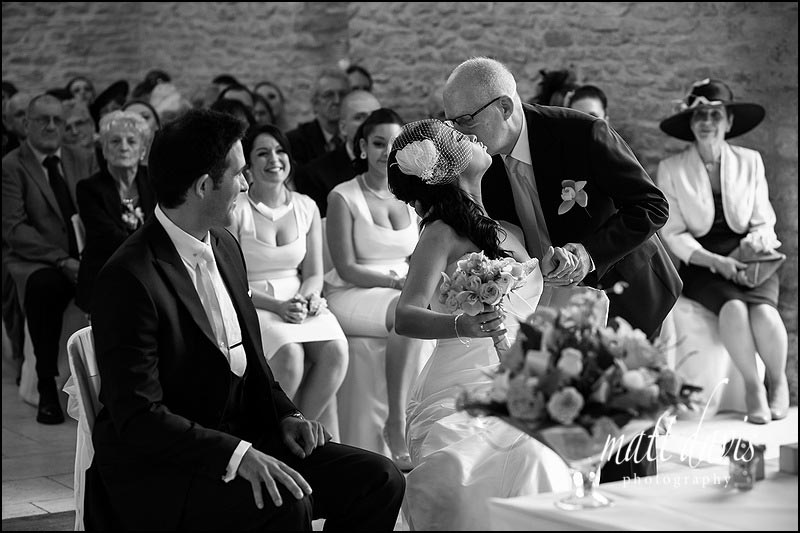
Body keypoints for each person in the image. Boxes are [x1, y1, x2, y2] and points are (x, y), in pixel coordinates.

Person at [84, 108, 404, 530]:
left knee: (379, 479)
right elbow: (140, 418)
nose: (246, 183)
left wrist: (288, 416)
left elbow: (252, 362)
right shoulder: (128, 278)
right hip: (166, 470)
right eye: (238, 173)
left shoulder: (224, 244)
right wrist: (237, 454)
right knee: (289, 505)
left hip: (243, 437)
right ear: (202, 187)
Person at [443, 57, 682, 482]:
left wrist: (588, 254)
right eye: (451, 122)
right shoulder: (479, 163)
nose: (458, 134)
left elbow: (651, 205)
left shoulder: (582, 133)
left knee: (621, 418)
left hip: (624, 287)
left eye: (465, 120)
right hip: (552, 301)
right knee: (569, 419)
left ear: (504, 108)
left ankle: (631, 508)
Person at [388, 118, 570, 531]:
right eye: (459, 137)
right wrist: (462, 325)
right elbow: (405, 315)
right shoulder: (440, 233)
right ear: (445, 169)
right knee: (521, 459)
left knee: (544, 454)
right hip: (461, 385)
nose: (472, 136)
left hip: (517, 377)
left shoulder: (509, 229)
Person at [657, 78, 789, 424]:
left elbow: (764, 221)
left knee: (764, 314)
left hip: (750, 256)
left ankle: (777, 382)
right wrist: (716, 261)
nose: (707, 123)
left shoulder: (751, 162)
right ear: (690, 122)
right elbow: (674, 232)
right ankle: (752, 388)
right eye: (699, 115)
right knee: (733, 308)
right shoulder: (671, 169)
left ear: (728, 122)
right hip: (702, 260)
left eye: (715, 116)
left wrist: (750, 247)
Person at [228, 124, 348, 440]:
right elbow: (232, 278)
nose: (274, 159)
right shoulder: (237, 210)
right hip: (255, 300)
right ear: (249, 166)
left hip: (298, 297)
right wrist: (278, 306)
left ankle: (299, 435)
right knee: (290, 355)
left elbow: (312, 275)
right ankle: (272, 435)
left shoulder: (306, 205)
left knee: (336, 351)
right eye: (262, 153)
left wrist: (308, 298)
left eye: (280, 151)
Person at [324, 108, 423, 471]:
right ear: (363, 146)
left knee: (431, 308)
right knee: (407, 311)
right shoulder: (342, 196)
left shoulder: (410, 195)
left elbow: (419, 254)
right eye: (378, 143)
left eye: (393, 144)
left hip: (402, 288)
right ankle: (396, 424)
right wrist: (397, 282)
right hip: (352, 292)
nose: (386, 152)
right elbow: (346, 266)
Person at [2, 94, 97, 424]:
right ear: (26, 124)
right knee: (45, 287)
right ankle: (46, 386)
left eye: (58, 119)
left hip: (85, 254)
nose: (52, 126)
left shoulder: (82, 157)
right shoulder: (12, 166)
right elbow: (15, 229)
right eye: (42, 119)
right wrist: (61, 259)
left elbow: (98, 207)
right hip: (37, 260)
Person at [75, 110, 155, 314]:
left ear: (143, 150)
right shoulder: (88, 188)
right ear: (103, 149)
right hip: (106, 272)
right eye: (115, 141)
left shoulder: (156, 182)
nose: (124, 147)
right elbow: (106, 237)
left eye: (131, 141)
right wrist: (153, 247)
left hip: (152, 272)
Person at [295, 90, 380, 216]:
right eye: (359, 117)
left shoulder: (398, 166)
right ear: (343, 128)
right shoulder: (316, 174)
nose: (368, 124)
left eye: (374, 117)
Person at [286, 69, 350, 166]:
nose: (337, 101)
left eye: (342, 94)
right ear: (315, 103)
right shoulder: (295, 142)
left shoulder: (358, 137)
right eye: (328, 95)